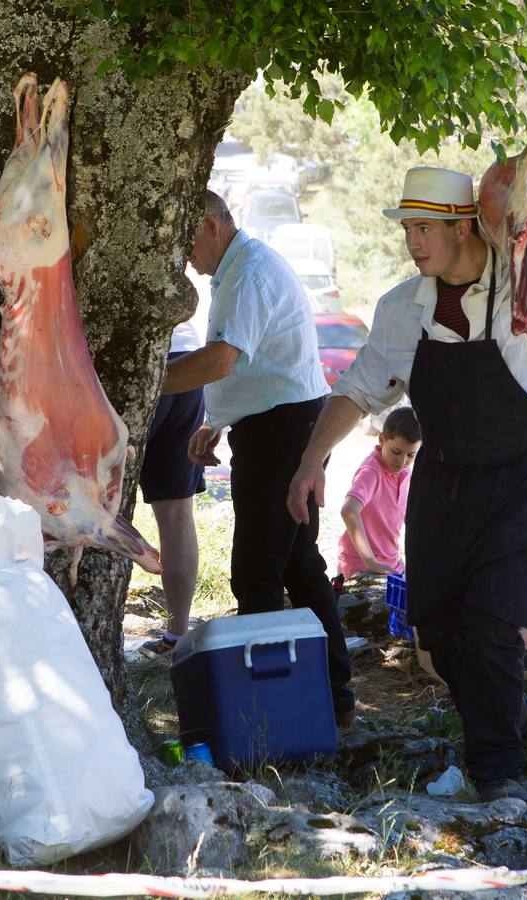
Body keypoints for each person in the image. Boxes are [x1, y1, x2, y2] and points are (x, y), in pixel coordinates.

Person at [286, 165, 527, 801]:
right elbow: (356, 391)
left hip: (524, 476)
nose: (413, 241)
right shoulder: (402, 307)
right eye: (408, 228)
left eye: (425, 227)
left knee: (492, 626)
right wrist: (308, 462)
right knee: (434, 628)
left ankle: (499, 780)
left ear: (465, 226)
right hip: (445, 477)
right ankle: (507, 711)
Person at [164, 189, 356, 726]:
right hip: (284, 422)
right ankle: (333, 697)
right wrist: (217, 421)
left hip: (284, 430)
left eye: (187, 244)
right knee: (298, 564)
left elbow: (221, 359)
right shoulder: (240, 266)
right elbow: (257, 362)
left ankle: (278, 710)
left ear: (210, 226)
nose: (186, 260)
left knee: (257, 575)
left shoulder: (246, 270)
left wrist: (148, 384)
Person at [139, 318, 207, 660]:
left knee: (100, 500)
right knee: (177, 514)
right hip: (188, 360)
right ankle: (176, 635)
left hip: (142, 357)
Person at [336, 406, 421, 580]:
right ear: (382, 440)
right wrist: (370, 560)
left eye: (411, 455)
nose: (402, 461)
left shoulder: (405, 472)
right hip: (362, 565)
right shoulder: (371, 471)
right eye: (396, 452)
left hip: (392, 562)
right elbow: (348, 510)